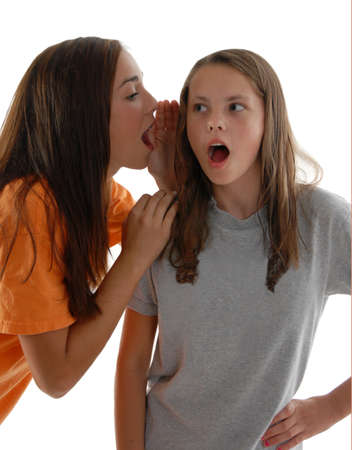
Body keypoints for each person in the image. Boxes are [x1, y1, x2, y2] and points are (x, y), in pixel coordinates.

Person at [115, 49, 351, 450]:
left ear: (268, 119)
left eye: (235, 107)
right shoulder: (162, 225)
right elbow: (132, 365)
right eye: (200, 108)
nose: (214, 122)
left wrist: (328, 409)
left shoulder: (321, 220)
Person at [0, 36, 179, 425]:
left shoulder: (104, 198)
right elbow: (57, 376)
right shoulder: (29, 206)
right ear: (83, 115)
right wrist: (132, 260)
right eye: (132, 94)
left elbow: (176, 235)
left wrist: (168, 181)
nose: (152, 105)